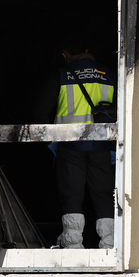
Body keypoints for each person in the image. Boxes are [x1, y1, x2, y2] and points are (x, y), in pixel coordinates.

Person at [47, 36, 116, 249]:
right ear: (87, 50)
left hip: (70, 144)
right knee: (104, 194)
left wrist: (49, 142)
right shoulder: (110, 74)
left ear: (64, 55)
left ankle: (73, 245)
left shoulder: (59, 75)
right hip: (103, 144)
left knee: (72, 194)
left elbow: (39, 111)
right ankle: (109, 245)